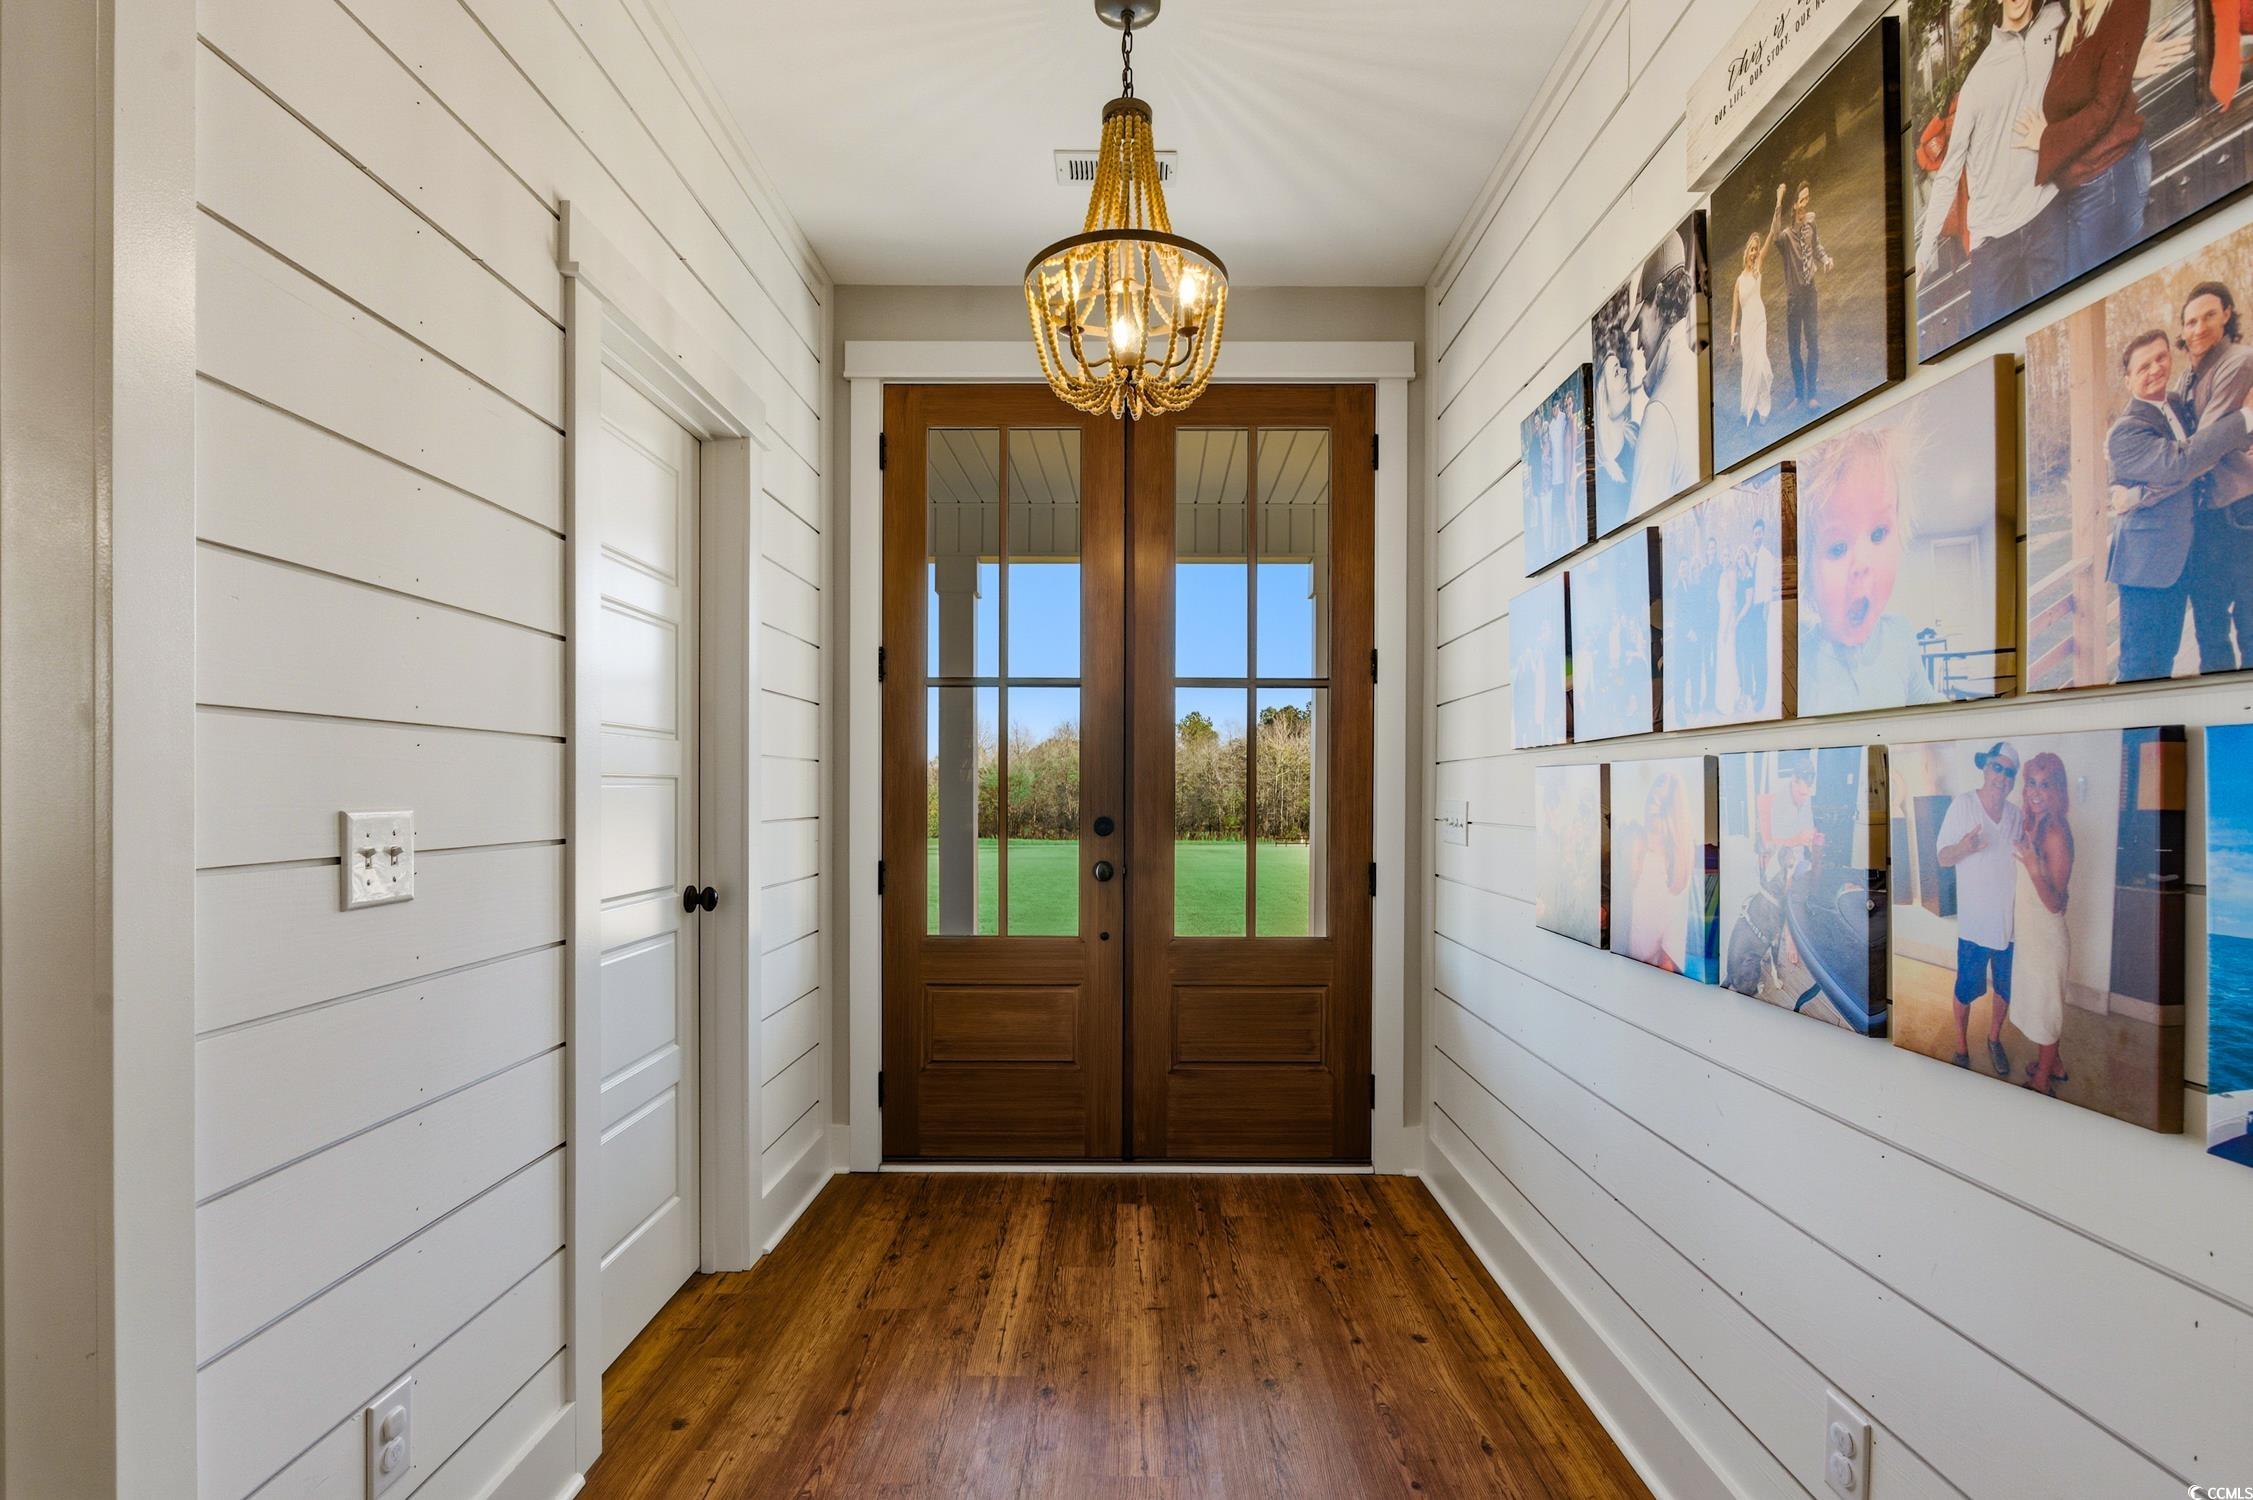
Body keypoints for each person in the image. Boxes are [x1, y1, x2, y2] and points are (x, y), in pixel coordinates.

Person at [2100, 326, 2253, 680]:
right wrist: (2244, 417)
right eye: (2143, 366)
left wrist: (2139, 495)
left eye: (2160, 358)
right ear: (2128, 380)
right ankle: (2133, 737)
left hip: (2179, 562)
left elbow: (2201, 457)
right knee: (2139, 668)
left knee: (2164, 664)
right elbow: (2182, 464)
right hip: (2145, 566)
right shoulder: (2125, 431)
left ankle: (2157, 735)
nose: (2155, 369)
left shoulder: (2178, 406)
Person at [1914, 0, 2068, 330]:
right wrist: (1924, 252)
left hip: (2046, 215)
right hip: (1994, 241)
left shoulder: (2055, 24)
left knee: (2063, 325)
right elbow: (1948, 174)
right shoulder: (1976, 83)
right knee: (1992, 347)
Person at [1797, 427, 1947, 714]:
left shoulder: (1900, 635)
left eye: (1878, 533)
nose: (1862, 564)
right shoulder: (1802, 657)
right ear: (1806, 574)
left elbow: (1924, 699)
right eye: (1838, 548)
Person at [2021, 0, 2159, 282]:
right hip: (2083, 182)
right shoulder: (2075, 20)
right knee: (2078, 293)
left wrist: (2047, 138)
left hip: (2109, 175)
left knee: (2100, 291)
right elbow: (2088, 87)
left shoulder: (2123, 7)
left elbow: (2103, 108)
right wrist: (2127, 70)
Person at [2174, 282, 2253, 671]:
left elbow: (2202, 447)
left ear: (2226, 314)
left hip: (2242, 513)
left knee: (2251, 626)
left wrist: (2245, 421)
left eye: (2208, 315)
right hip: (2204, 519)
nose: (2199, 327)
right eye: (2190, 321)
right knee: (2209, 627)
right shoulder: (2185, 378)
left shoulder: (2239, 362)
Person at [1936, 742, 2025, 1076]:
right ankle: (1961, 1047)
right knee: (1966, 989)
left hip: (2009, 927)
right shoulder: (1964, 805)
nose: (2002, 776)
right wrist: (1964, 847)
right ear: (1986, 769)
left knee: (2004, 990)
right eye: (1997, 768)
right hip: (1974, 926)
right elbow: (1943, 858)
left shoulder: (2016, 816)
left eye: (2009, 771)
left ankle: (1993, 1039)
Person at [2012, 750, 2077, 1096]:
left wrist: (2034, 867)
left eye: (2045, 784)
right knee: (2042, 1006)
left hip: (2047, 938)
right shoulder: (2034, 823)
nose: (2036, 791)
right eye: (2031, 783)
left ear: (2057, 790)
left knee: (2046, 1011)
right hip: (2031, 935)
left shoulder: (2054, 833)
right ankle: (2057, 1065)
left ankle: (2041, 1084)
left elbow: (2055, 903)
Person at [1627, 231, 1704, 517]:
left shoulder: (1659, 410)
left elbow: (1637, 540)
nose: (1637, 343)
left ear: (1658, 298)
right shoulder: (1695, 370)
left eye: (1640, 323)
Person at [1624, 771, 1691, 973]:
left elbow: (1669, 959)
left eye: (1660, 811)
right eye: (1652, 800)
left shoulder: (1675, 871)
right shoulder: (1632, 843)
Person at [1776, 181, 1834, 411]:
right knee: (1793, 348)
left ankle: (1811, 395)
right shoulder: (1785, 236)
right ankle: (1799, 394)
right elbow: (1773, 233)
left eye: (1807, 199)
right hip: (1794, 297)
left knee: (1813, 344)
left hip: (1810, 293)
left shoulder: (1811, 225)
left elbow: (1817, 247)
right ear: (1794, 205)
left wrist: (1826, 259)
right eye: (1801, 200)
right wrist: (1778, 202)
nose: (1805, 204)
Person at [1731, 186, 1785, 427]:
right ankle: (1749, 409)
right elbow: (1734, 313)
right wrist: (1732, 333)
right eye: (1752, 249)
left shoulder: (1758, 268)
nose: (1755, 252)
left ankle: (1764, 408)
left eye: (1756, 249)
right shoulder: (1739, 281)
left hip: (1759, 321)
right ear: (1746, 252)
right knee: (1749, 368)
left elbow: (1773, 233)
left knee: (1762, 366)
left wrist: (1778, 200)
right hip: (1746, 328)